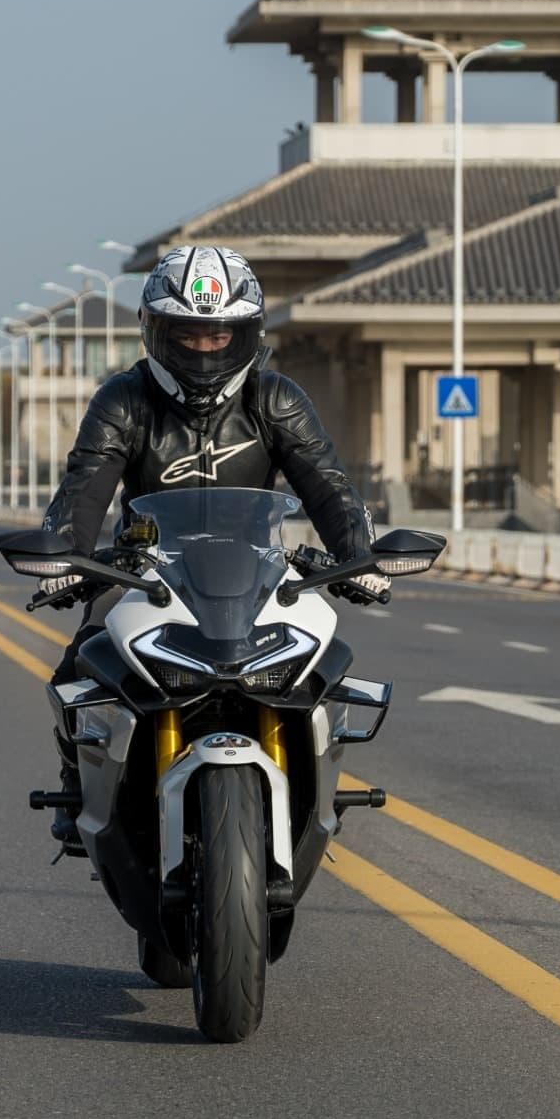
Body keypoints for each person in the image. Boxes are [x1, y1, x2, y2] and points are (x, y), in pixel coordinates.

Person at [29, 245, 382, 849]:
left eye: (219, 335)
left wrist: (361, 554)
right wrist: (64, 557)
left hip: (257, 573)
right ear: (155, 332)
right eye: (187, 334)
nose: (202, 348)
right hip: (146, 571)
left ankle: (316, 789)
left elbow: (328, 486)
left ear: (248, 334)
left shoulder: (277, 399)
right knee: (79, 663)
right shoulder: (123, 400)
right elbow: (84, 490)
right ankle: (77, 788)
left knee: (326, 664)